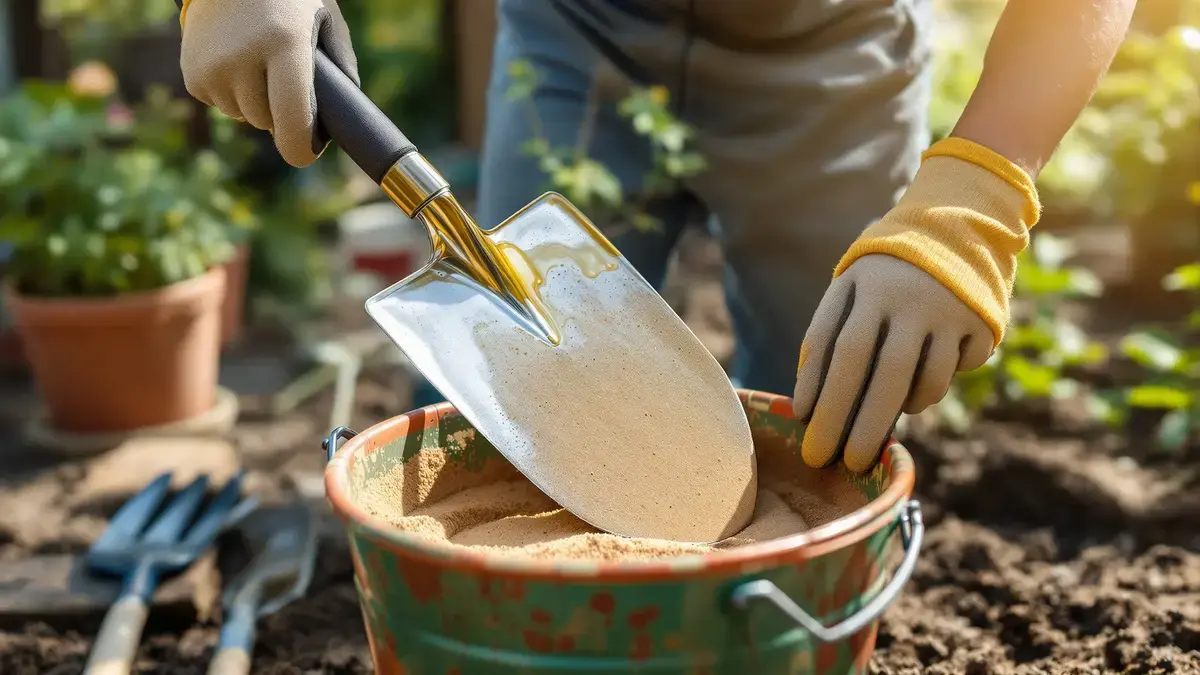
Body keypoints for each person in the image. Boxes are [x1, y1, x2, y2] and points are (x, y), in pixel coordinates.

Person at [178, 0, 1137, 473]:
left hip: (831, 51)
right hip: (579, 26)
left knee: (823, 426)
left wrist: (979, 183)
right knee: (505, 424)